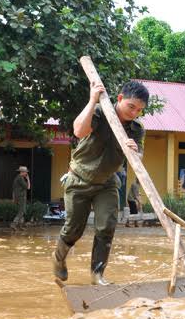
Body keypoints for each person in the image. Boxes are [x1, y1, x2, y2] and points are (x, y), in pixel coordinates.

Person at [51, 80, 147, 285]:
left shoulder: (136, 128)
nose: (134, 113)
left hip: (107, 182)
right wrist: (93, 99)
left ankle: (97, 274)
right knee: (73, 229)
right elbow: (78, 131)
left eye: (139, 110)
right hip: (79, 179)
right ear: (120, 98)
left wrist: (134, 151)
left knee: (106, 227)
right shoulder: (99, 112)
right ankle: (58, 259)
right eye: (131, 106)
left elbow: (139, 157)